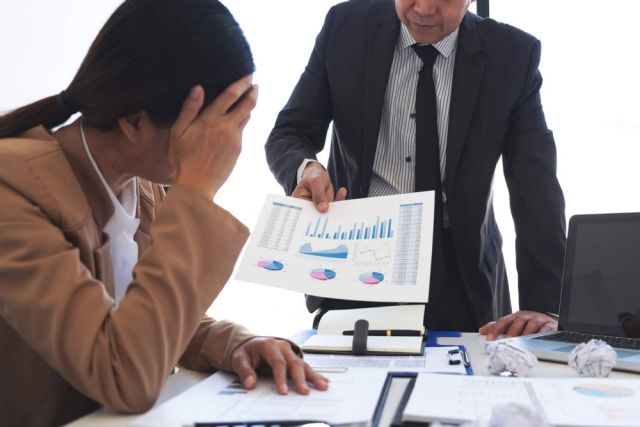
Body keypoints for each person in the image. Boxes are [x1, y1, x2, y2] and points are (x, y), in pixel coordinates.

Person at [0, 1, 328, 425]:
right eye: (217, 123)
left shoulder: (141, 184)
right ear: (135, 121)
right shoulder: (14, 192)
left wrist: (234, 343)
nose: (228, 144)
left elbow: (141, 319)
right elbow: (124, 371)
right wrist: (196, 190)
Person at [265, 0, 566, 339]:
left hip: (460, 270)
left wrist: (544, 305)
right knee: (350, 387)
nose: (422, 8)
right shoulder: (345, 27)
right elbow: (290, 132)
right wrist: (306, 169)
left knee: (462, 385)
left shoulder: (512, 55)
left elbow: (535, 186)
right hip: (357, 258)